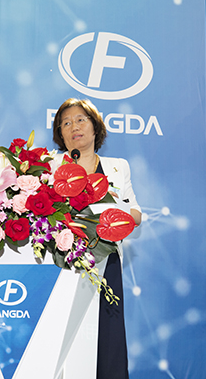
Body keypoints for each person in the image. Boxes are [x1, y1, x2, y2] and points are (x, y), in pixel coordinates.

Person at [52, 98, 141, 379]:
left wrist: (111, 208)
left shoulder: (118, 167)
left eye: (81, 119)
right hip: (61, 259)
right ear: (60, 133)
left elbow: (136, 213)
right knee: (63, 332)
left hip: (105, 259)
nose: (74, 127)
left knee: (107, 334)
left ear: (95, 127)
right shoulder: (50, 166)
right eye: (66, 123)